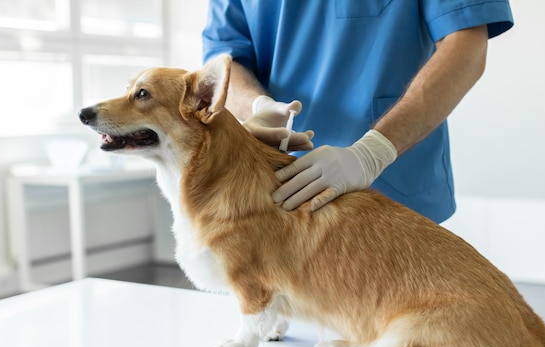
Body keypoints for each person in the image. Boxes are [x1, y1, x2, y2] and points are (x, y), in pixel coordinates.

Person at [202, 0, 514, 223]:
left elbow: (467, 44)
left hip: (394, 190)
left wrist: (372, 152)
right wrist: (258, 105)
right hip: (277, 188)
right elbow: (225, 59)